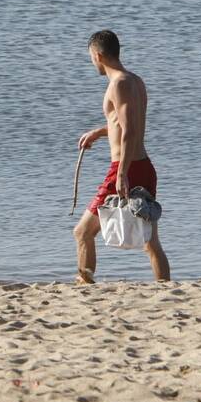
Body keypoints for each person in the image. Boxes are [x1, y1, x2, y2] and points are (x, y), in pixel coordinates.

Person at [73, 31, 170, 283]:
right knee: (150, 240)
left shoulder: (118, 84)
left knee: (83, 232)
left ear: (98, 55)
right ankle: (166, 290)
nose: (93, 63)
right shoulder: (135, 81)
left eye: (92, 58)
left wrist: (123, 173)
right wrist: (100, 132)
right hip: (143, 166)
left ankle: (85, 288)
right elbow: (125, 124)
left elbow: (128, 131)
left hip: (126, 167)